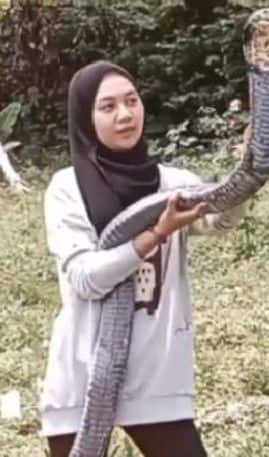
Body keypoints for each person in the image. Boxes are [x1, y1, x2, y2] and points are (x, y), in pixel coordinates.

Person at [40, 60, 247, 456]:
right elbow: (86, 278)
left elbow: (220, 222)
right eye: (108, 106)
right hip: (83, 376)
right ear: (86, 117)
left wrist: (245, 175)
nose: (125, 114)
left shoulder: (175, 184)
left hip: (156, 373)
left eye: (132, 101)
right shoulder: (67, 188)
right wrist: (158, 232)